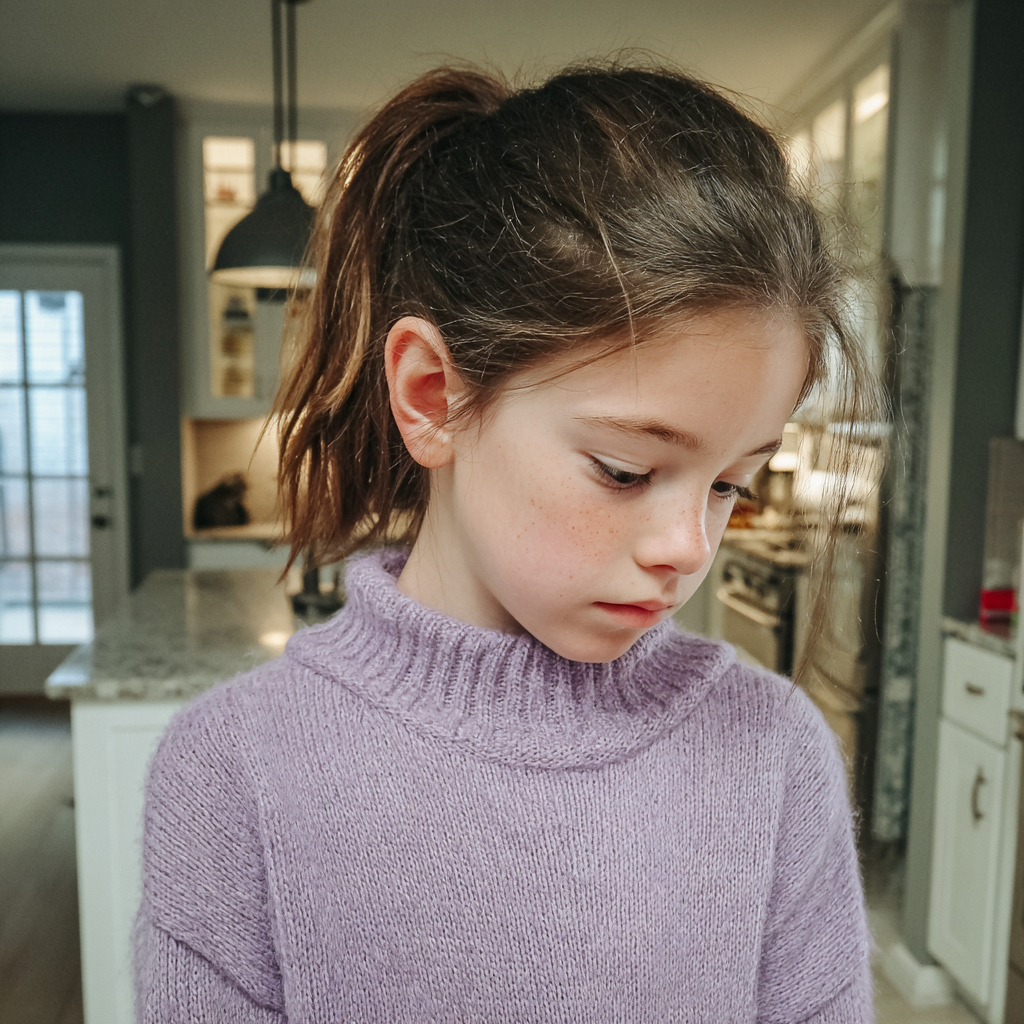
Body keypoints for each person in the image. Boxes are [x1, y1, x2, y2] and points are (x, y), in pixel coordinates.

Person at [134, 62, 877, 1023]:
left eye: (732, 483)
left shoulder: (775, 757)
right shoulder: (234, 772)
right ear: (433, 399)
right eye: (624, 468)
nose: (689, 548)